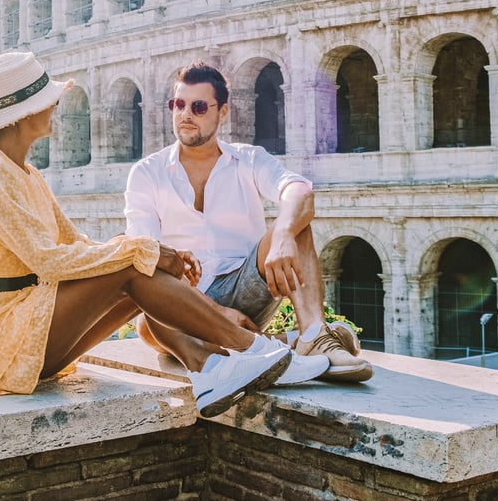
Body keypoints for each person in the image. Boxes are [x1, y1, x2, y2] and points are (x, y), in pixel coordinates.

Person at [0, 49, 295, 417]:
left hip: (22, 339)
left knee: (140, 267)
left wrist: (148, 254)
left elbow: (76, 244)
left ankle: (208, 370)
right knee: (135, 264)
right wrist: (142, 251)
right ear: (24, 113)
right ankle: (251, 350)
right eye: (47, 101)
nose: (55, 108)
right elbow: (46, 260)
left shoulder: (26, 174)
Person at [124, 62, 373, 383]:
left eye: (199, 107)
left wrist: (283, 233)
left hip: (248, 288)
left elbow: (300, 190)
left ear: (222, 112)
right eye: (178, 104)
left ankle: (313, 335)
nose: (185, 114)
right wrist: (216, 314)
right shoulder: (147, 173)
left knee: (295, 222)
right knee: (148, 322)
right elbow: (145, 252)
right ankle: (280, 346)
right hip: (182, 302)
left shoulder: (249, 159)